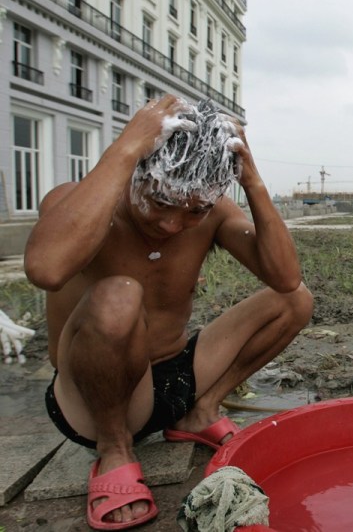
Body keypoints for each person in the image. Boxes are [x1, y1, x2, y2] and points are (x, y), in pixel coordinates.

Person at [24, 95, 313, 530]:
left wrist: (251, 179)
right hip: (92, 396)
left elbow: (286, 278)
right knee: (120, 295)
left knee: (297, 299)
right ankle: (114, 448)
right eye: (160, 203)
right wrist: (126, 148)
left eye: (194, 210)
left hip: (177, 378)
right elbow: (45, 269)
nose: (172, 224)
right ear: (136, 172)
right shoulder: (79, 203)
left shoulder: (211, 212)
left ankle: (199, 412)